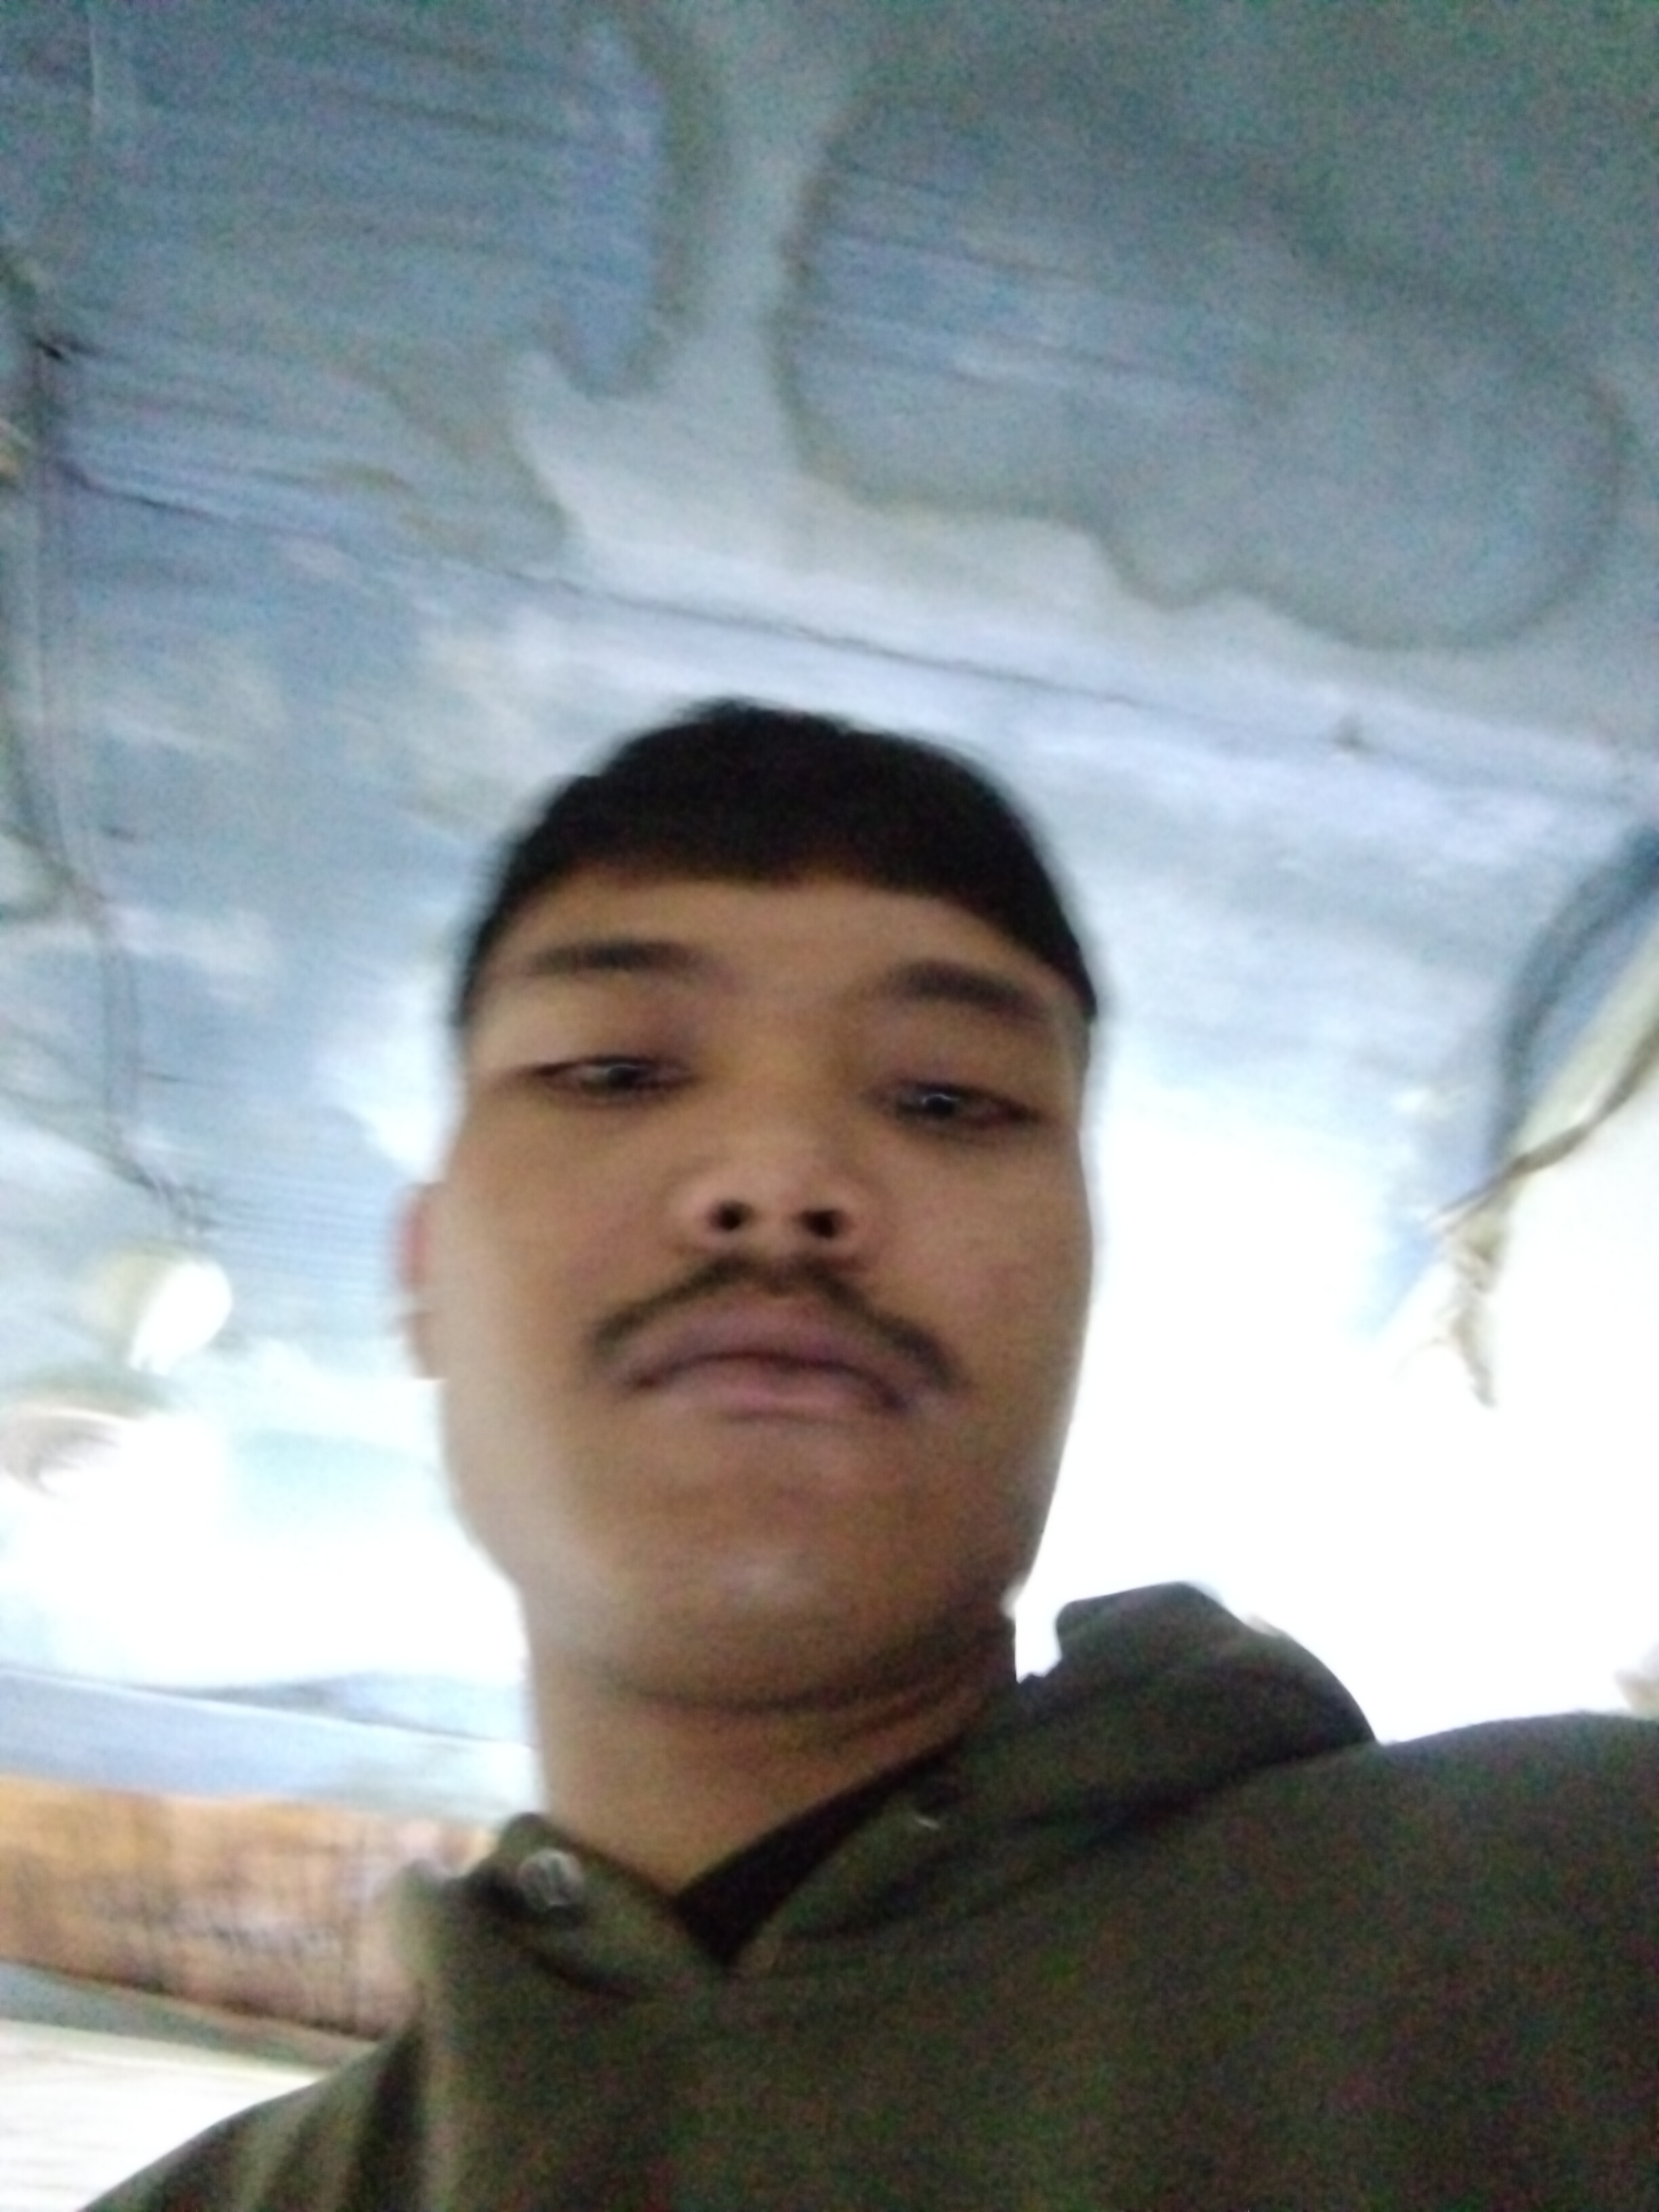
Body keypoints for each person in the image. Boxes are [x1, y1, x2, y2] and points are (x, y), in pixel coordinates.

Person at [88, 702, 1658, 2210]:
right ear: (424, 1268)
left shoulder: (1584, 1924)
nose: (781, 1180)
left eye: (948, 1097)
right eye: (617, 1071)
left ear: (1081, 1285)